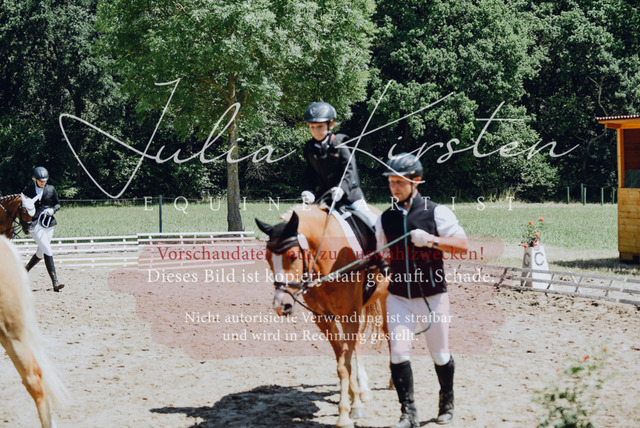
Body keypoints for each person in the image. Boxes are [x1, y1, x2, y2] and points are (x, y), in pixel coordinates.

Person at [375, 153, 468, 427]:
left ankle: (447, 400)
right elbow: (380, 255)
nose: (394, 187)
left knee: (439, 353)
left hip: (433, 296)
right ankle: (408, 412)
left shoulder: (437, 212)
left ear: (416, 181)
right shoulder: (385, 218)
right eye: (391, 182)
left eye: (399, 182)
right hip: (398, 297)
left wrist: (431, 240)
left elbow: (462, 245)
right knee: (398, 353)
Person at [301, 101, 378, 226]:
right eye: (312, 127)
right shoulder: (309, 147)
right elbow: (309, 173)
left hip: (349, 195)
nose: (315, 131)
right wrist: (308, 190)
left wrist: (341, 188)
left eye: (320, 126)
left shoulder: (340, 143)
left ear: (330, 125)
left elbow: (349, 169)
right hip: (324, 196)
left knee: (371, 220)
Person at [22, 166, 65, 292]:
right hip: (34, 224)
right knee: (47, 249)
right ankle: (55, 281)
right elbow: (22, 208)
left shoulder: (51, 189)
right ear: (35, 179)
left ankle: (25, 270)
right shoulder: (28, 190)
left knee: (41, 252)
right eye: (40, 181)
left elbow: (57, 203)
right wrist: (25, 224)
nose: (43, 182)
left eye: (44, 180)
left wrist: (53, 210)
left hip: (48, 223)